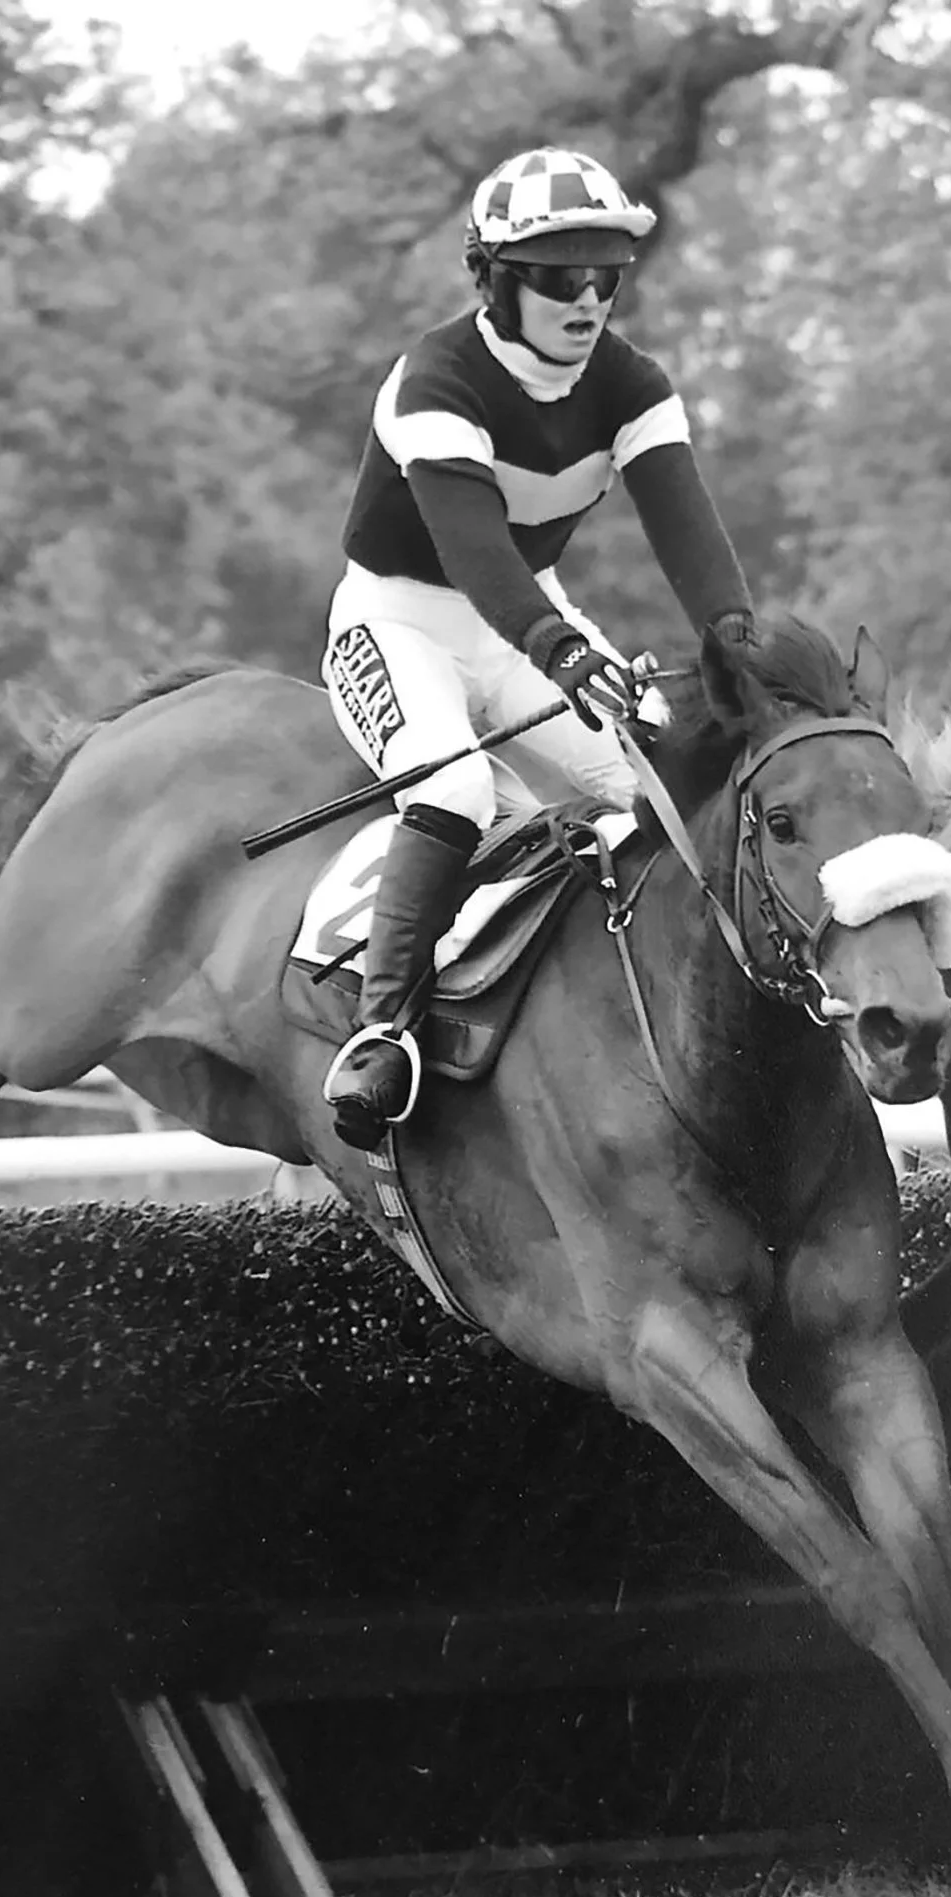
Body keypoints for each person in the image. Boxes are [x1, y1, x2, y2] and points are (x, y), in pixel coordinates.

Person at [320, 143, 757, 1151]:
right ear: (492, 278)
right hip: (397, 620)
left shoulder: (632, 385)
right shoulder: (434, 381)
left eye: (606, 275)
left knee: (661, 782)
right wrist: (556, 649)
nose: (587, 298)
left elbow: (687, 531)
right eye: (560, 278)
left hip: (523, 622)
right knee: (455, 791)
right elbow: (473, 548)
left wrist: (738, 643)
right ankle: (380, 1032)